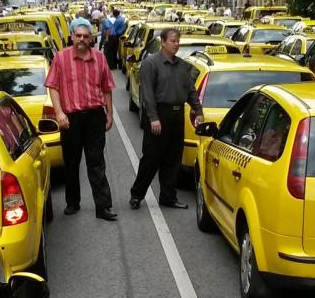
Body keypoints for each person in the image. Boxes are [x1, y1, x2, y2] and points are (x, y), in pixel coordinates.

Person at [44, 18, 117, 221]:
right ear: (72, 37)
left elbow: (107, 88)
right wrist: (59, 113)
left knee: (96, 162)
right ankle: (72, 202)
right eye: (78, 36)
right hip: (70, 119)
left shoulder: (100, 58)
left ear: (92, 38)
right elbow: (53, 87)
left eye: (85, 36)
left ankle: (103, 207)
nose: (82, 39)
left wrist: (109, 113)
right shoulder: (61, 58)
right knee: (71, 163)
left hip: (95, 117)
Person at [130, 28, 203, 210]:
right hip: (159, 115)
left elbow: (191, 91)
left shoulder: (183, 66)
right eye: (173, 41)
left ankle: (168, 197)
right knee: (151, 158)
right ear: (162, 42)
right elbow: (147, 93)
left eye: (178, 41)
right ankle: (137, 195)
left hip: (177, 115)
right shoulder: (151, 64)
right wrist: (153, 118)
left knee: (173, 159)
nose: (176, 44)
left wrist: (198, 111)